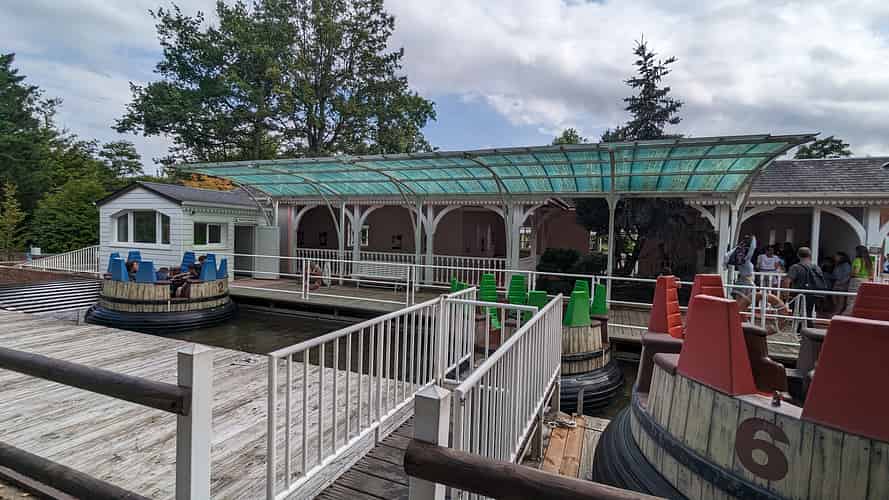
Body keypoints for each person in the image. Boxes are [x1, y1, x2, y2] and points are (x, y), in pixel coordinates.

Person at [784, 247, 825, 328]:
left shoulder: (795, 267)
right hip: (812, 294)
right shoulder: (816, 267)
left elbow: (787, 281)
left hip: (798, 295)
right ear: (810, 255)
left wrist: (786, 294)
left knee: (797, 315)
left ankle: (799, 331)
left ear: (798, 255)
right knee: (808, 314)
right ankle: (808, 330)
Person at [725, 235, 757, 310]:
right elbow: (752, 249)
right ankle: (738, 313)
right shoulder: (745, 260)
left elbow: (729, 254)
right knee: (742, 301)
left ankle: (739, 312)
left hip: (745, 281)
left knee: (742, 301)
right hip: (745, 282)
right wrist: (753, 239)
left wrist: (742, 244)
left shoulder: (741, 261)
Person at [843, 245, 872, 314]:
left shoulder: (858, 260)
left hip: (856, 281)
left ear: (858, 252)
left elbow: (855, 272)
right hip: (865, 281)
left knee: (852, 299)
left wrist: (850, 274)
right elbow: (871, 274)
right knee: (860, 299)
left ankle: (847, 314)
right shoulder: (869, 261)